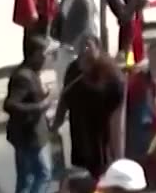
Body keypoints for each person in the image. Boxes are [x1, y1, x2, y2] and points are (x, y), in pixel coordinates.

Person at [5, 35, 54, 193]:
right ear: (34, 54)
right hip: (28, 136)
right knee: (43, 174)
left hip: (33, 134)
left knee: (25, 178)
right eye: (44, 54)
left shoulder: (32, 73)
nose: (46, 58)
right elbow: (10, 105)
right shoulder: (23, 77)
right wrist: (41, 107)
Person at [53, 39, 125, 178]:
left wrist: (119, 159)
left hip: (102, 141)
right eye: (82, 55)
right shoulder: (74, 70)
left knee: (100, 181)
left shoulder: (113, 78)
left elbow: (118, 124)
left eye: (89, 56)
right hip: (80, 137)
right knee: (84, 179)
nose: (84, 63)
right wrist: (56, 122)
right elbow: (65, 98)